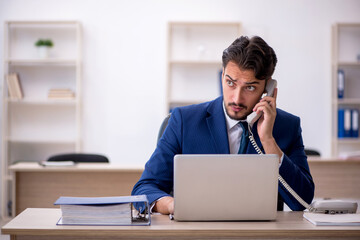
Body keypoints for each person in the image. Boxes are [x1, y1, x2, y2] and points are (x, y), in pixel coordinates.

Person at [132, 36, 315, 215]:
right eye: (230, 83)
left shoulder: (287, 126)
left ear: (268, 88)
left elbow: (303, 201)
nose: (236, 98)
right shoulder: (184, 121)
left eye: (250, 87)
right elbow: (144, 189)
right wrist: (175, 205)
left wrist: (268, 141)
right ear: (222, 77)